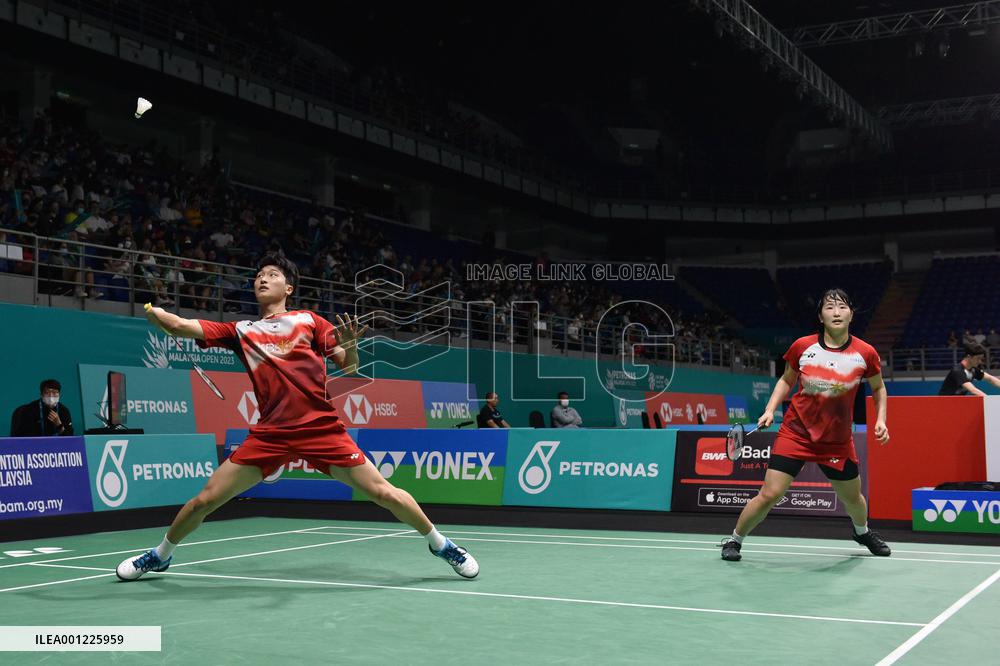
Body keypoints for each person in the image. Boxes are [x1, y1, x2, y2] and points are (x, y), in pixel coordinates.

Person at [116, 254, 479, 581]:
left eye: (271, 275)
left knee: (384, 492)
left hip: (320, 429)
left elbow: (350, 368)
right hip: (271, 434)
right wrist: (154, 312)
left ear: (287, 287)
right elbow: (178, 325)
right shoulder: (240, 331)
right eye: (258, 275)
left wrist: (351, 347)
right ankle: (160, 555)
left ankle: (441, 544)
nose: (262, 279)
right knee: (203, 501)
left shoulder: (309, 321)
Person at [720, 289, 891, 562]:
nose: (836, 312)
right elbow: (787, 380)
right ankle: (734, 540)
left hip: (836, 440)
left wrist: (880, 419)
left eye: (842, 307)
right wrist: (770, 409)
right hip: (796, 433)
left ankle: (862, 532)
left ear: (851, 314)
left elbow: (879, 388)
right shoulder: (803, 346)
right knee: (770, 494)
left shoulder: (865, 353)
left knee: (853, 498)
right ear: (821, 316)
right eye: (829, 308)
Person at [10, 379, 74, 437]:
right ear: (41, 394)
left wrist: (59, 425)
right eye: (47, 393)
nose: (51, 396)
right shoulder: (30, 409)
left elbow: (70, 438)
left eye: (55, 393)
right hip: (35, 447)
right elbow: (25, 435)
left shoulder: (64, 411)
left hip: (57, 448)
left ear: (59, 395)